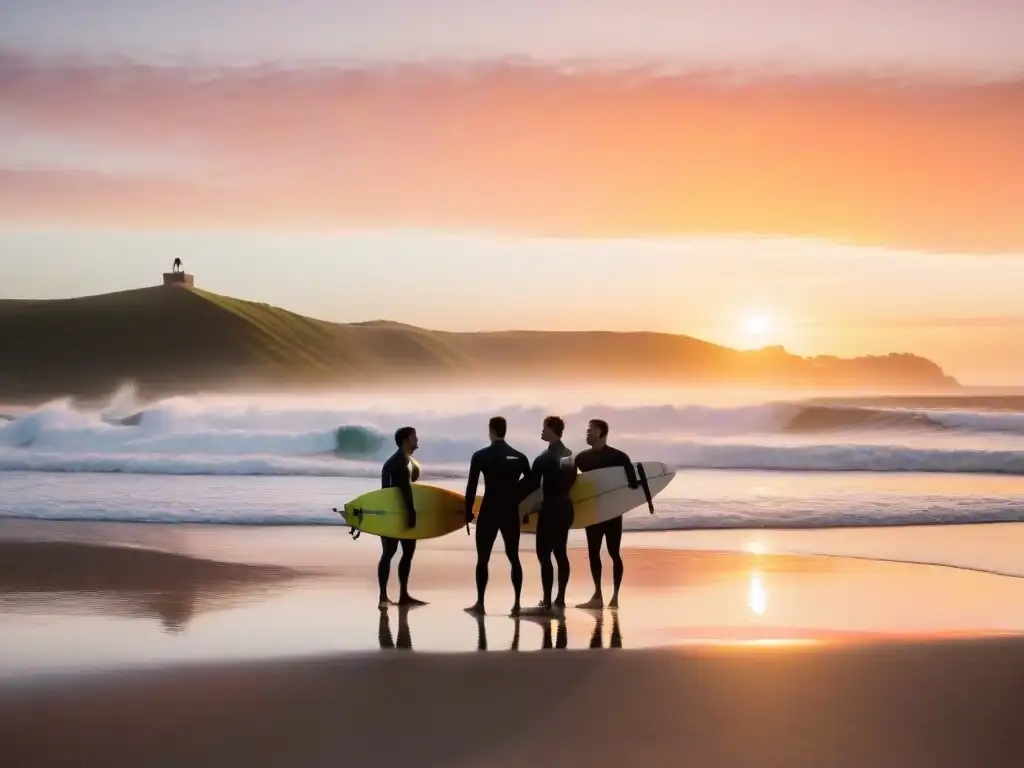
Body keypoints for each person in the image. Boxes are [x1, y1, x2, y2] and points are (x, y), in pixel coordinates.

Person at [463, 416, 531, 617]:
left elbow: (472, 486)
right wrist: (516, 497)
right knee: (513, 557)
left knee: (483, 558)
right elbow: (532, 483)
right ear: (505, 430)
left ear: (490, 430)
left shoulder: (480, 456)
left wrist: (468, 512)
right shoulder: (520, 457)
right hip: (510, 511)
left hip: (489, 511)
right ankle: (517, 604)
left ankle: (481, 604)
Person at [574, 418, 639, 609]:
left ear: (601, 432)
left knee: (613, 552)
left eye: (590, 429)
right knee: (593, 553)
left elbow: (632, 485)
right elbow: (570, 483)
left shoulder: (619, 457)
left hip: (611, 512)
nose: (586, 432)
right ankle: (597, 596)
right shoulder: (581, 458)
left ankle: (615, 596)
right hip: (593, 512)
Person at [517, 415, 577, 617]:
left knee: (544, 555)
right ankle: (560, 599)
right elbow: (571, 480)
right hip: (566, 508)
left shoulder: (543, 458)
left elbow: (531, 484)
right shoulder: (568, 455)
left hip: (550, 510)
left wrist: (509, 496)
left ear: (552, 430)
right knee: (561, 553)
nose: (541, 432)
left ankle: (547, 603)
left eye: (544, 428)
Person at [378, 426, 426, 609]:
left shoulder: (407, 461)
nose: (417, 439)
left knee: (407, 553)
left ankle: (403, 594)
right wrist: (411, 512)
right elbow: (401, 491)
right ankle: (383, 596)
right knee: (389, 553)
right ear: (406, 439)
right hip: (394, 515)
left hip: (398, 513)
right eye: (415, 436)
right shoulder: (398, 462)